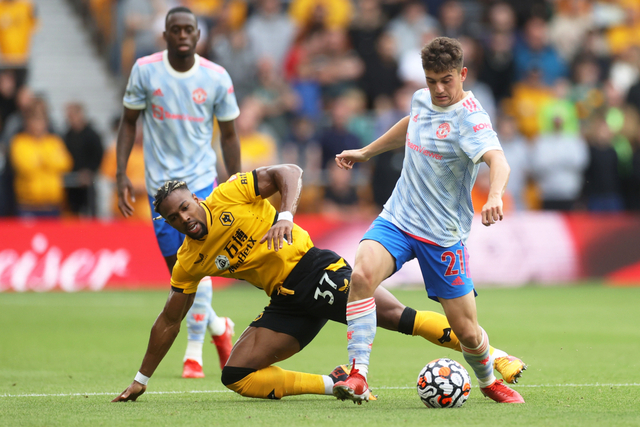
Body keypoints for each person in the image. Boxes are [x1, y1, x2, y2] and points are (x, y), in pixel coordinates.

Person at [112, 164, 526, 403]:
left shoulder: (228, 196)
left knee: (399, 316)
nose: (185, 218)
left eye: (185, 206)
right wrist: (142, 379)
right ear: (169, 224)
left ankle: (497, 357)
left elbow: (288, 171)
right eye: (174, 218)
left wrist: (286, 215)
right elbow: (168, 320)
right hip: (286, 301)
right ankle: (336, 383)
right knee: (236, 374)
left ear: (195, 199)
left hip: (315, 269)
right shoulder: (189, 260)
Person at [333, 37, 526, 404]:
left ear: (462, 74)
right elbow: (412, 124)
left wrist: (496, 195)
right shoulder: (422, 99)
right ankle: (358, 375)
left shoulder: (471, 118)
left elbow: (498, 160)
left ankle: (487, 380)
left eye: (447, 80)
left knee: (467, 331)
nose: (438, 89)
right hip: (398, 218)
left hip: (442, 236)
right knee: (360, 276)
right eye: (431, 80)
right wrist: (367, 151)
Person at [116, 6, 239, 379]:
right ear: (166, 34)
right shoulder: (146, 70)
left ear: (198, 35)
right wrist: (121, 172)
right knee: (180, 279)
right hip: (161, 191)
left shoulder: (216, 77)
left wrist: (236, 183)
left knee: (198, 269)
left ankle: (193, 354)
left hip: (200, 184)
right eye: (176, 29)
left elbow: (230, 135)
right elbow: (128, 123)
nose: (183, 34)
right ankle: (220, 328)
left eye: (189, 29)